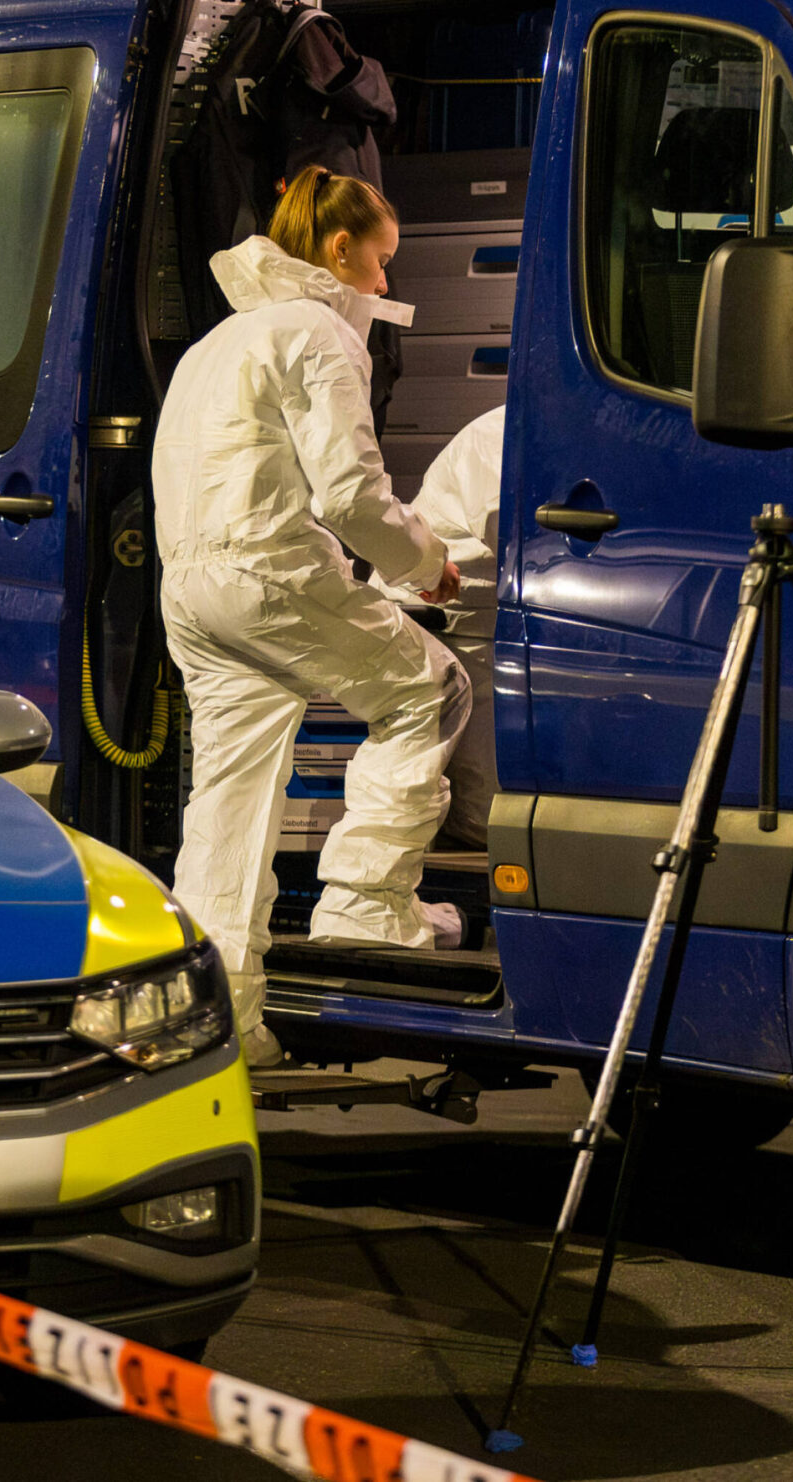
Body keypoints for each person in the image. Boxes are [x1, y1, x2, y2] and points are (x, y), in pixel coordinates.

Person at [154, 166, 467, 1070]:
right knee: (431, 690)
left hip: (192, 590)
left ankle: (217, 1024)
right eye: (381, 260)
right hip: (268, 572)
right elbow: (350, 493)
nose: (386, 281)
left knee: (229, 806)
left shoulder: (212, 345)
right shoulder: (318, 331)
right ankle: (367, 903)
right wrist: (426, 566)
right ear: (339, 249)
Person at [394, 403, 504, 853]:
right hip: (450, 622)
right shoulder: (499, 435)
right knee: (485, 818)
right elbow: (513, 535)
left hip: (488, 624)